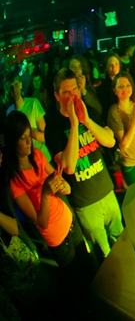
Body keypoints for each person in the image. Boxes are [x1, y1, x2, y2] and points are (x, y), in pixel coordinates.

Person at [4, 110, 95, 291]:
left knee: (93, 270)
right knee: (81, 285)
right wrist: (45, 193)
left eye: (29, 135)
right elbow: (42, 222)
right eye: (23, 138)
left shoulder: (37, 155)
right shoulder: (15, 181)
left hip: (70, 223)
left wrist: (61, 183)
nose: (29, 141)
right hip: (58, 241)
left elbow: (65, 187)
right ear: (13, 142)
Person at [45, 68, 123, 259]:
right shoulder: (53, 127)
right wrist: (74, 125)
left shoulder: (90, 112)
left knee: (122, 241)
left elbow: (110, 141)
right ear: (57, 96)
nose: (72, 95)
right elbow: (69, 166)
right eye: (66, 92)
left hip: (106, 190)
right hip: (86, 202)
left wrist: (86, 121)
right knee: (105, 254)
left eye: (75, 89)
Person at [4, 71, 52, 162]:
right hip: (27, 162)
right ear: (7, 90)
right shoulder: (9, 112)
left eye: (16, 84)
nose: (14, 89)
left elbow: (46, 136)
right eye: (11, 86)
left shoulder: (33, 103)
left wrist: (25, 131)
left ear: (20, 85)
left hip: (43, 157)